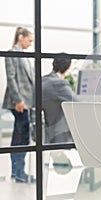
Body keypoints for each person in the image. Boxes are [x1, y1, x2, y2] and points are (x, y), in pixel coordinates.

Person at [2, 27, 35, 183]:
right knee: (22, 137)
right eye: (29, 40)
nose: (30, 44)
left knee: (19, 135)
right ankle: (19, 172)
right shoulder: (12, 54)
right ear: (21, 37)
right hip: (19, 102)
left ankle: (17, 171)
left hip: (26, 101)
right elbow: (11, 77)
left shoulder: (24, 56)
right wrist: (18, 100)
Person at [42, 53, 78, 144]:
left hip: (45, 129)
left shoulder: (43, 79)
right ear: (69, 66)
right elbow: (76, 102)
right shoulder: (59, 83)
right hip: (58, 131)